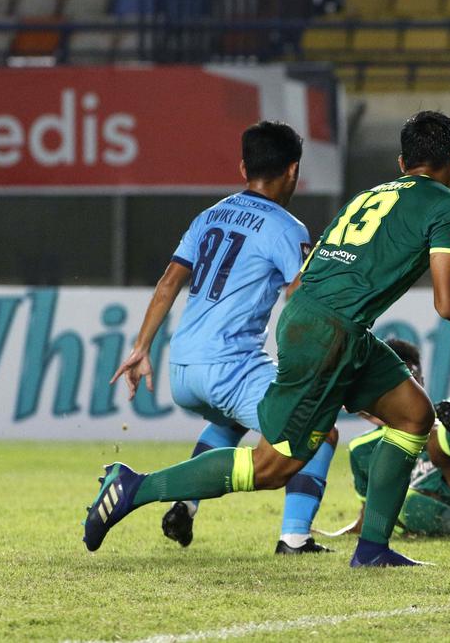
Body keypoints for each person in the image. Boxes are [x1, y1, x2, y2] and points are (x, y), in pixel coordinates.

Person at [84, 110, 450, 567]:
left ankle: (373, 549)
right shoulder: (447, 205)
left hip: (328, 325)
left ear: (401, 164)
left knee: (415, 415)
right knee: (272, 468)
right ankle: (135, 487)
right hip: (330, 333)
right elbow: (449, 303)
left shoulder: (371, 195)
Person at [108, 120, 336, 554]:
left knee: (228, 420)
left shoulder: (209, 215)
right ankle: (294, 538)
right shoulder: (288, 228)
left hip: (182, 371)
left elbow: (168, 283)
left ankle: (185, 505)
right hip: (229, 366)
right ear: (293, 171)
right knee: (319, 429)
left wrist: (141, 348)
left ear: (242, 167)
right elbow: (302, 307)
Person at [334, 338, 450, 540]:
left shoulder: (447, 413)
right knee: (392, 501)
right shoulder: (361, 449)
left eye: (411, 382)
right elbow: (369, 514)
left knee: (438, 423)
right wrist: (334, 535)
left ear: (421, 383)